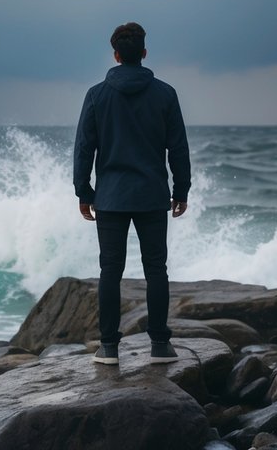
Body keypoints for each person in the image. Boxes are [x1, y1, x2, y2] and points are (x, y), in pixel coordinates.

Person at [74, 21, 191, 365]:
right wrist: (181, 189)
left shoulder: (96, 95)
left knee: (110, 271)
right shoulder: (165, 94)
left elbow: (84, 148)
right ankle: (159, 345)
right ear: (143, 53)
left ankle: (109, 347)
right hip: (152, 195)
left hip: (110, 197)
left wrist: (84, 192)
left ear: (115, 55)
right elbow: (178, 148)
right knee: (156, 269)